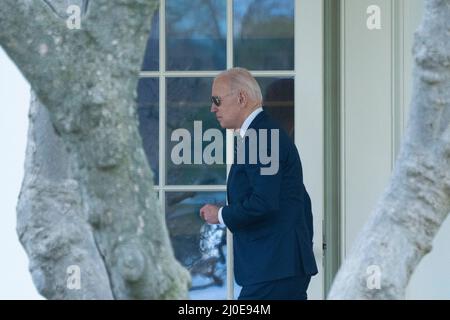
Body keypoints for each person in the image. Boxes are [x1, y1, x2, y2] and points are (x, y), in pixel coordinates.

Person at [200, 67, 318, 300]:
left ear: (241, 98)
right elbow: (299, 200)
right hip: (279, 266)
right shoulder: (263, 133)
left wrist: (221, 215)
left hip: (274, 269)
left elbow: (263, 202)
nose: (213, 108)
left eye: (217, 100)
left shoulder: (261, 136)